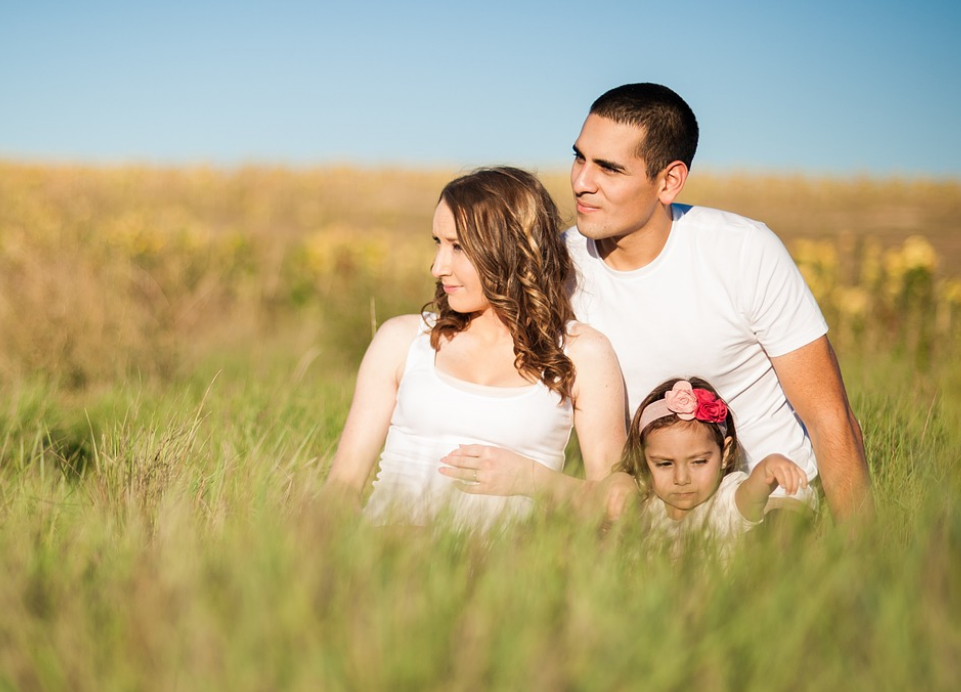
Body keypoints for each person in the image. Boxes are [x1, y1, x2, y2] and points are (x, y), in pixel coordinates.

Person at [441, 83, 872, 525]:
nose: (581, 182)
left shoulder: (744, 251)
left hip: (769, 502)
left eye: (609, 168)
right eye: (580, 158)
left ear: (668, 181)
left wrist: (862, 557)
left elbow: (829, 417)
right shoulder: (556, 266)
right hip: (649, 510)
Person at [322, 166, 626, 530]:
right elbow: (340, 490)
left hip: (508, 578)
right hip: (388, 563)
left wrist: (532, 479)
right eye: (438, 243)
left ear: (511, 248)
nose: (437, 267)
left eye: (458, 247)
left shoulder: (582, 353)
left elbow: (619, 502)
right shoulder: (402, 341)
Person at [612, 377, 808, 562]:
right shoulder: (646, 505)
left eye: (698, 462)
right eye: (664, 464)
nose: (681, 478)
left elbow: (751, 495)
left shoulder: (725, 500)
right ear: (644, 459)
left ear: (724, 453)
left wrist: (768, 467)